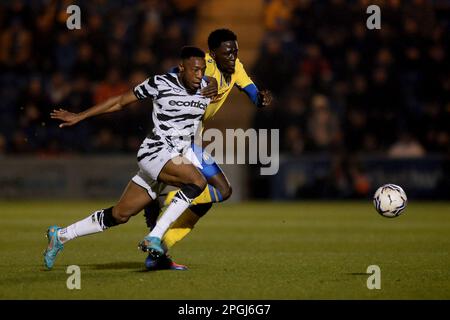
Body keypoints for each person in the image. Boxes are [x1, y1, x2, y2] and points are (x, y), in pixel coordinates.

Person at [44, 46, 224, 270]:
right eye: (194, 70)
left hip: (177, 155)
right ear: (181, 68)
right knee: (197, 182)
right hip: (156, 151)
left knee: (120, 214)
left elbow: (219, 80)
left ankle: (60, 235)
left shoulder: (206, 85)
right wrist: (80, 116)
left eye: (202, 70)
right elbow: (120, 101)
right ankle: (155, 236)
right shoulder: (159, 83)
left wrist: (214, 82)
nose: (199, 75)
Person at [143, 29, 273, 269]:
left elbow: (252, 92)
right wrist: (203, 81)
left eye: (235, 50)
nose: (233, 56)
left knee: (206, 202)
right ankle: (164, 201)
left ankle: (157, 251)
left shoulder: (237, 68)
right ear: (212, 54)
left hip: (194, 136)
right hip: (179, 135)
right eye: (227, 52)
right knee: (221, 189)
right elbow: (174, 74)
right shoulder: (203, 66)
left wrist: (262, 98)